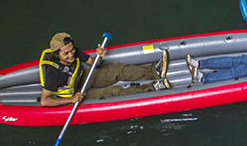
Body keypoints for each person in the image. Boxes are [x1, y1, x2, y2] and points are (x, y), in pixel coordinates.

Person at [39, 32, 169, 107]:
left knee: (117, 69)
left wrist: (99, 56)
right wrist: (71, 100)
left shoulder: (72, 51)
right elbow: (45, 101)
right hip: (78, 93)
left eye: (72, 50)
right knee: (115, 91)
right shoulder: (52, 72)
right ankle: (154, 87)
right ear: (57, 55)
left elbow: (93, 63)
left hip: (85, 77)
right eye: (66, 54)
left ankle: (153, 72)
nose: (71, 55)